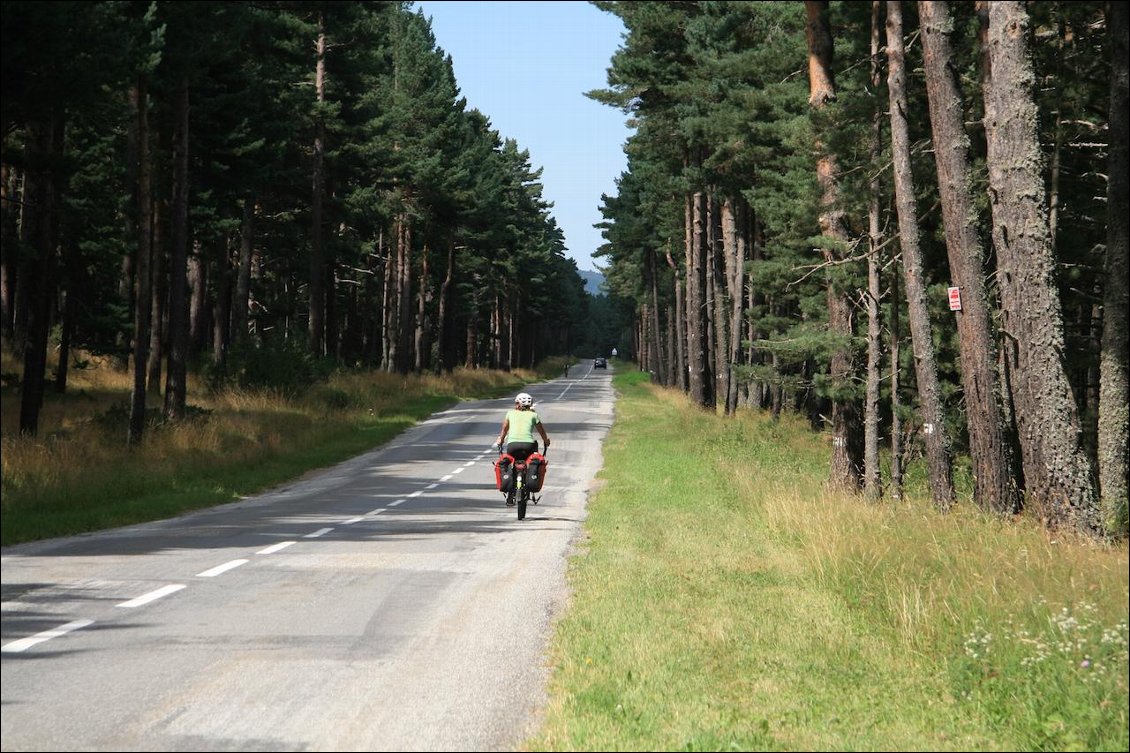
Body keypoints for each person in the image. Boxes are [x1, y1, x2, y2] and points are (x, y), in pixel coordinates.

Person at [493, 392, 550, 463]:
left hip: (512, 446)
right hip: (528, 445)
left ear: (518, 404)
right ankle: (533, 473)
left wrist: (501, 440)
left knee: (510, 463)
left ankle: (509, 473)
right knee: (533, 461)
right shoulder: (534, 415)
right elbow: (541, 432)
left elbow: (504, 430)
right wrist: (546, 441)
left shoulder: (510, 413)